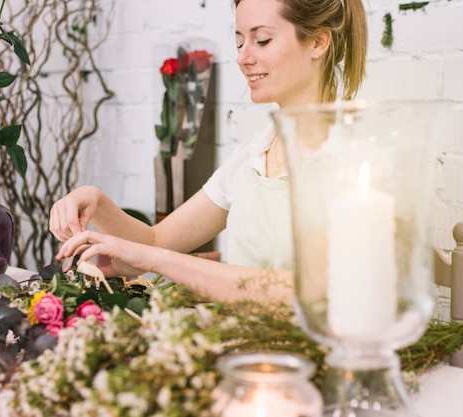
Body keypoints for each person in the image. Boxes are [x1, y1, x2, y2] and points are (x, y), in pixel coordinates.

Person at [49, 0, 367, 305]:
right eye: (240, 42)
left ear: (318, 42)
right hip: (244, 351)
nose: (243, 58)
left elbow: (312, 291)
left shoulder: (356, 161)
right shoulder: (252, 156)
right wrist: (97, 202)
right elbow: (156, 241)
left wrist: (156, 260)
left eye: (263, 40)